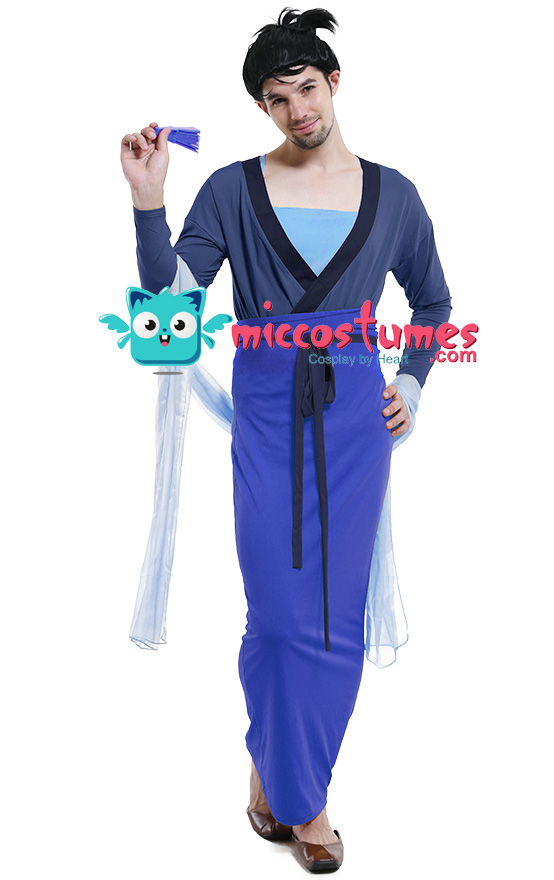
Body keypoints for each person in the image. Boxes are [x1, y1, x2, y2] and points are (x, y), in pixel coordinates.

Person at [121, 7, 451, 873]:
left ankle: (301, 798)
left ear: (334, 83)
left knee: (335, 623)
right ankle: (282, 772)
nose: (297, 110)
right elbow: (172, 304)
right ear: (262, 107)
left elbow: (432, 302)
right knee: (274, 618)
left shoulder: (396, 195)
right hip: (269, 416)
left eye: (306, 88)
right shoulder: (231, 191)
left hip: (356, 424)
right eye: (277, 98)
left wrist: (413, 383)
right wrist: (149, 202)